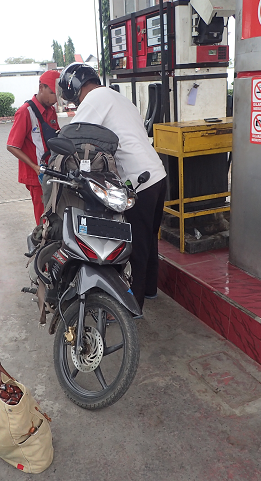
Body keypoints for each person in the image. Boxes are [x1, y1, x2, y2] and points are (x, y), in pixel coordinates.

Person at [57, 62, 167, 311]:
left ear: (75, 89)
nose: (75, 104)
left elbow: (72, 134)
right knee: (149, 239)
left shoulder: (95, 98)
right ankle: (150, 290)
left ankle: (132, 307)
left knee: (135, 247)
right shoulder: (118, 98)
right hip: (158, 176)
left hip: (139, 181)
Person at [7, 70, 61, 225]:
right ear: (41, 87)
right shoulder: (25, 112)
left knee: (55, 212)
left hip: (52, 170)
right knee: (42, 216)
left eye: (57, 95)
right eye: (51, 93)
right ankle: (41, 245)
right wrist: (34, 167)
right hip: (37, 175)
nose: (55, 99)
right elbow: (12, 146)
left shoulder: (51, 111)